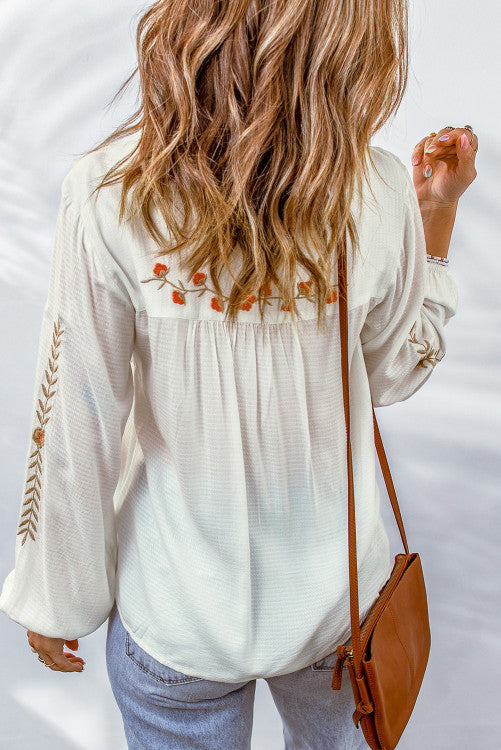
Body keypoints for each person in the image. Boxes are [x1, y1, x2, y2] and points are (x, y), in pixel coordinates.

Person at [0, 0, 477, 748]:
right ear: (351, 45)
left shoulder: (108, 191)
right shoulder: (377, 188)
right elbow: (393, 374)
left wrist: (56, 599)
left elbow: (80, 412)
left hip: (176, 613)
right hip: (334, 614)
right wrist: (434, 221)